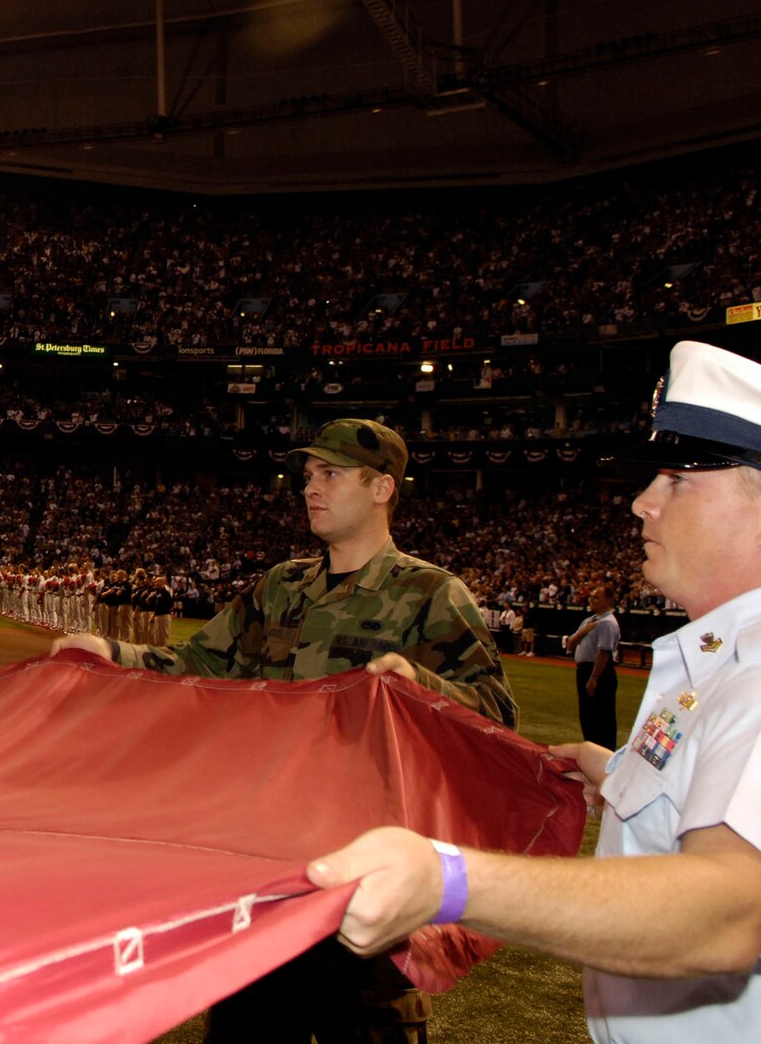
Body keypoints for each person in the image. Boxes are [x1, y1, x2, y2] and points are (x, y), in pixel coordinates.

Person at [307, 340, 761, 1044]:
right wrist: (622, 774)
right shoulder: (723, 655)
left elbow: (732, 913)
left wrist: (448, 882)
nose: (642, 502)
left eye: (678, 480)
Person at [53, 417, 515, 1043]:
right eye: (307, 475)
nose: (310, 487)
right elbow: (200, 665)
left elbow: (495, 717)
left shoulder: (430, 594)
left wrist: (419, 685)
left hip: (367, 887)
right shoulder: (281, 587)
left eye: (330, 474)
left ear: (382, 488)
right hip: (266, 875)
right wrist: (110, 654)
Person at [565, 585, 622, 750]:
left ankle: (603, 754)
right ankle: (592, 751)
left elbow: (603, 653)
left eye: (596, 597)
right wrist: (583, 631)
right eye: (591, 597)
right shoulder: (588, 621)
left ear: (609, 600)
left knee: (601, 718)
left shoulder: (607, 623)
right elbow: (570, 645)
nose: (592, 600)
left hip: (598, 672)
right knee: (587, 716)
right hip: (583, 670)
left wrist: (594, 678)